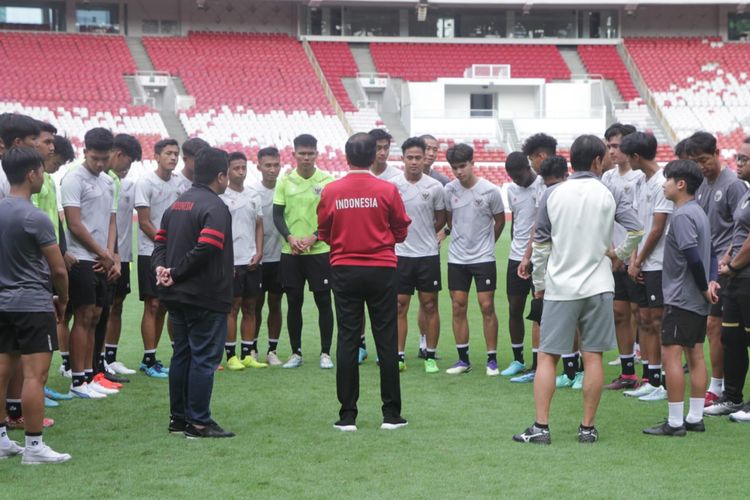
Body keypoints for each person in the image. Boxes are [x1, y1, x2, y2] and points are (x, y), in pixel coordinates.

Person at [513, 135, 642, 445]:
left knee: (547, 357)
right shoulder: (608, 191)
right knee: (593, 356)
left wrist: (540, 284)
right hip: (599, 285)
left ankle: (541, 427)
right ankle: (587, 427)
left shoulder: (553, 194)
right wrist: (618, 256)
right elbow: (637, 229)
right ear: (597, 161)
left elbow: (541, 246)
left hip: (561, 287)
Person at [317, 132, 411, 432]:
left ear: (347, 156)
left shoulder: (331, 191)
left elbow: (324, 231)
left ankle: (347, 416)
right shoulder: (386, 189)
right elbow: (400, 229)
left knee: (347, 338)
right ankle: (391, 414)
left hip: (344, 268)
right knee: (386, 339)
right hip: (381, 268)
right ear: (374, 156)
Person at [153, 147, 235, 439]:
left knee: (182, 355)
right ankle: (199, 422)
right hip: (205, 294)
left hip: (175, 295)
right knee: (203, 358)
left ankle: (179, 419)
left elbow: (159, 243)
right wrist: (176, 272)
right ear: (221, 176)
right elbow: (208, 247)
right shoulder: (215, 207)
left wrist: (163, 269)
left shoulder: (177, 204)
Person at [0, 146, 71, 463]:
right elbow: (58, 268)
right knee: (34, 377)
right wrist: (64, 299)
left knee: (1, 372)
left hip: (2, 303)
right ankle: (33, 447)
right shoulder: (35, 217)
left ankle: (1, 441)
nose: (43, 176)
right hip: (32, 304)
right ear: (31, 174)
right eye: (41, 171)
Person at [643, 160, 719, 436]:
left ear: (680, 184)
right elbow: (710, 251)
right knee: (696, 354)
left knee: (671, 355)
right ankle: (695, 417)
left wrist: (701, 286)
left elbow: (692, 256)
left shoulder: (683, 215)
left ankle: (675, 422)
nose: (663, 184)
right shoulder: (698, 212)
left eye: (667, 180)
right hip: (695, 299)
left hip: (681, 297)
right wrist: (710, 284)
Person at [686, 132, 748, 408]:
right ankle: (724, 389)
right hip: (713, 266)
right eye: (695, 161)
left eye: (704, 160)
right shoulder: (701, 186)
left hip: (731, 270)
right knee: (716, 328)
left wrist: (730, 261)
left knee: (718, 327)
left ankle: (718, 386)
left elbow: (741, 229)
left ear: (717, 153)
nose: (701, 166)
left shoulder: (733, 185)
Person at [60, 128, 119, 399]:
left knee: (95, 316)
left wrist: (110, 254)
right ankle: (77, 380)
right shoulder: (74, 179)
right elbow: (74, 224)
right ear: (85, 152)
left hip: (101, 259)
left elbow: (110, 220)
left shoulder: (108, 182)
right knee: (82, 317)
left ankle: (88, 374)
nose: (99, 163)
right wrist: (101, 253)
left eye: (104, 158)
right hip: (82, 259)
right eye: (95, 158)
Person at [272, 134, 335, 369]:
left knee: (323, 301)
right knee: (294, 301)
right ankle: (296, 353)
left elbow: (332, 217)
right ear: (294, 154)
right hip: (292, 252)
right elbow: (277, 215)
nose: (306, 158)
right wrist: (290, 237)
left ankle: (325, 353)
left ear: (317, 154)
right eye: (302, 153)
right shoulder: (285, 182)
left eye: (310, 153)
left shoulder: (328, 181)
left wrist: (314, 237)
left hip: (319, 251)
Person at [443, 144, 505, 376]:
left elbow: (499, 221)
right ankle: (463, 360)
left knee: (486, 306)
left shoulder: (490, 191)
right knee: (458, 306)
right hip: (457, 257)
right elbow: (451, 220)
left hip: (483, 257)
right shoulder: (449, 190)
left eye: (463, 166)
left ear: (472, 163)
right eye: (455, 168)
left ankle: (492, 360)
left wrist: (488, 244)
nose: (459, 172)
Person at [621, 132, 674, 402]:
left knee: (657, 321)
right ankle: (652, 379)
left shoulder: (663, 182)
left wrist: (639, 259)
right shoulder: (642, 182)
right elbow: (639, 225)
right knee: (644, 320)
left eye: (626, 155)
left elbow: (658, 228)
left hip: (658, 262)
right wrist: (633, 258)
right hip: (641, 261)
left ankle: (663, 382)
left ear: (636, 156)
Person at [390, 137, 445, 373]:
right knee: (399, 306)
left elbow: (441, 218)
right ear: (402, 159)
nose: (414, 162)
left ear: (425, 159)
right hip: (401, 254)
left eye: (418, 158)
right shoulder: (392, 186)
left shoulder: (435, 187)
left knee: (430, 305)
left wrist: (426, 236)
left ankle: (430, 355)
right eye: (409, 158)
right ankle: (399, 355)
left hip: (427, 255)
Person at [601, 124, 645, 390]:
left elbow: (642, 221)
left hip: (634, 258)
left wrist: (631, 257)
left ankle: (653, 374)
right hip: (614, 256)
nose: (611, 151)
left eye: (616, 146)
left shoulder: (640, 177)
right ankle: (628, 372)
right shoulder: (607, 178)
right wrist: (611, 252)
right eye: (608, 146)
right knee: (619, 312)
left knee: (644, 316)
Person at [135, 138, 182, 379]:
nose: (173, 157)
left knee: (166, 305)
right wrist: (166, 243)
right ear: (156, 155)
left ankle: (162, 356)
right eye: (168, 153)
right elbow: (144, 222)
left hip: (172, 253)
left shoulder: (179, 183)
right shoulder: (145, 182)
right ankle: (148, 358)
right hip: (149, 252)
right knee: (152, 304)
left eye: (176, 154)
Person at [220, 152, 267, 371]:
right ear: (227, 170)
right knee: (233, 307)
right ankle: (230, 355)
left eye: (243, 167)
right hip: (232, 261)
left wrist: (259, 251)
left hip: (251, 259)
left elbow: (259, 225)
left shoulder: (253, 195)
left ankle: (247, 353)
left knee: (251, 306)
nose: (241, 172)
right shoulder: (221, 196)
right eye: (236, 168)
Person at [502, 152, 545, 378]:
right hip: (516, 256)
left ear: (528, 168)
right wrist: (516, 252)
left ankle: (538, 363)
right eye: (513, 177)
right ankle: (518, 359)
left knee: (538, 310)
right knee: (514, 308)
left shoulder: (542, 185)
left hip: (538, 257)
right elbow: (516, 222)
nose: (517, 181)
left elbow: (539, 225)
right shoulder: (511, 191)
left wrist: (529, 255)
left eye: (519, 176)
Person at [102, 134, 142, 377]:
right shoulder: (99, 181)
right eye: (128, 162)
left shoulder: (126, 185)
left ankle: (109, 357)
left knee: (116, 306)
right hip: (99, 256)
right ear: (118, 155)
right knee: (92, 310)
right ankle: (74, 364)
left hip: (122, 256)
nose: (129, 168)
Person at [717, 139, 750, 422]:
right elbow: (738, 232)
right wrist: (727, 258)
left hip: (746, 277)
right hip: (737, 278)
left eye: (744, 159)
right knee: (731, 338)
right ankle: (732, 398)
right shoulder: (745, 194)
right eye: (738, 158)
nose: (738, 164)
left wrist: (734, 265)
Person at [252, 147, 284, 366]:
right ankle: (251, 347)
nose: (272, 170)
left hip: (281, 257)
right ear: (259, 166)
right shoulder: (252, 191)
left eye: (276, 165)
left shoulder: (285, 189)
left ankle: (272, 350)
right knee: (254, 304)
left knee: (275, 302)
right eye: (268, 165)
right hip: (257, 259)